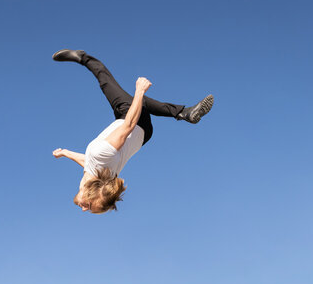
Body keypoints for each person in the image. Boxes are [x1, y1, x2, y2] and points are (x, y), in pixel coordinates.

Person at [51, 49, 214, 214]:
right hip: (132, 122)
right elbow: (128, 125)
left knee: (139, 103)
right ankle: (82, 57)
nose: (84, 209)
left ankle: (183, 113)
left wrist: (65, 153)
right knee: (105, 79)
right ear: (92, 192)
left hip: (143, 134)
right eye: (90, 205)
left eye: (88, 208)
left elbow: (88, 163)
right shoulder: (101, 153)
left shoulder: (98, 177)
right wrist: (139, 90)